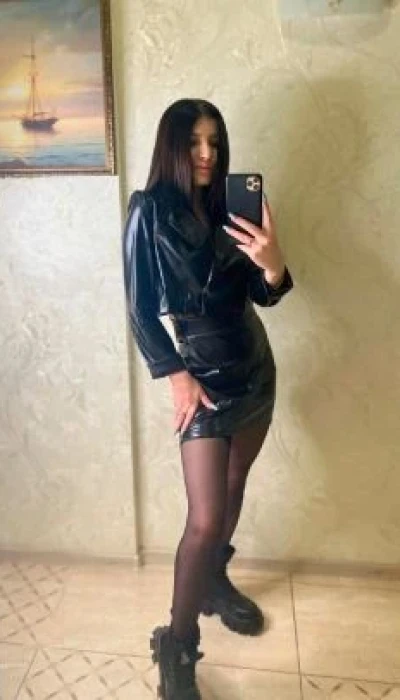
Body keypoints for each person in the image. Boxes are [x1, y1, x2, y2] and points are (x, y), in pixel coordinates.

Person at [122, 98, 293, 700]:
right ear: (172, 145)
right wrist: (175, 375)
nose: (206, 154)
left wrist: (273, 266)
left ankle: (215, 582)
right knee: (204, 519)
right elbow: (140, 310)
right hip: (199, 378)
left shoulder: (230, 208)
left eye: (214, 142)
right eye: (194, 141)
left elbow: (265, 295)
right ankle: (176, 644)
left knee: (236, 482)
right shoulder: (148, 211)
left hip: (255, 371)